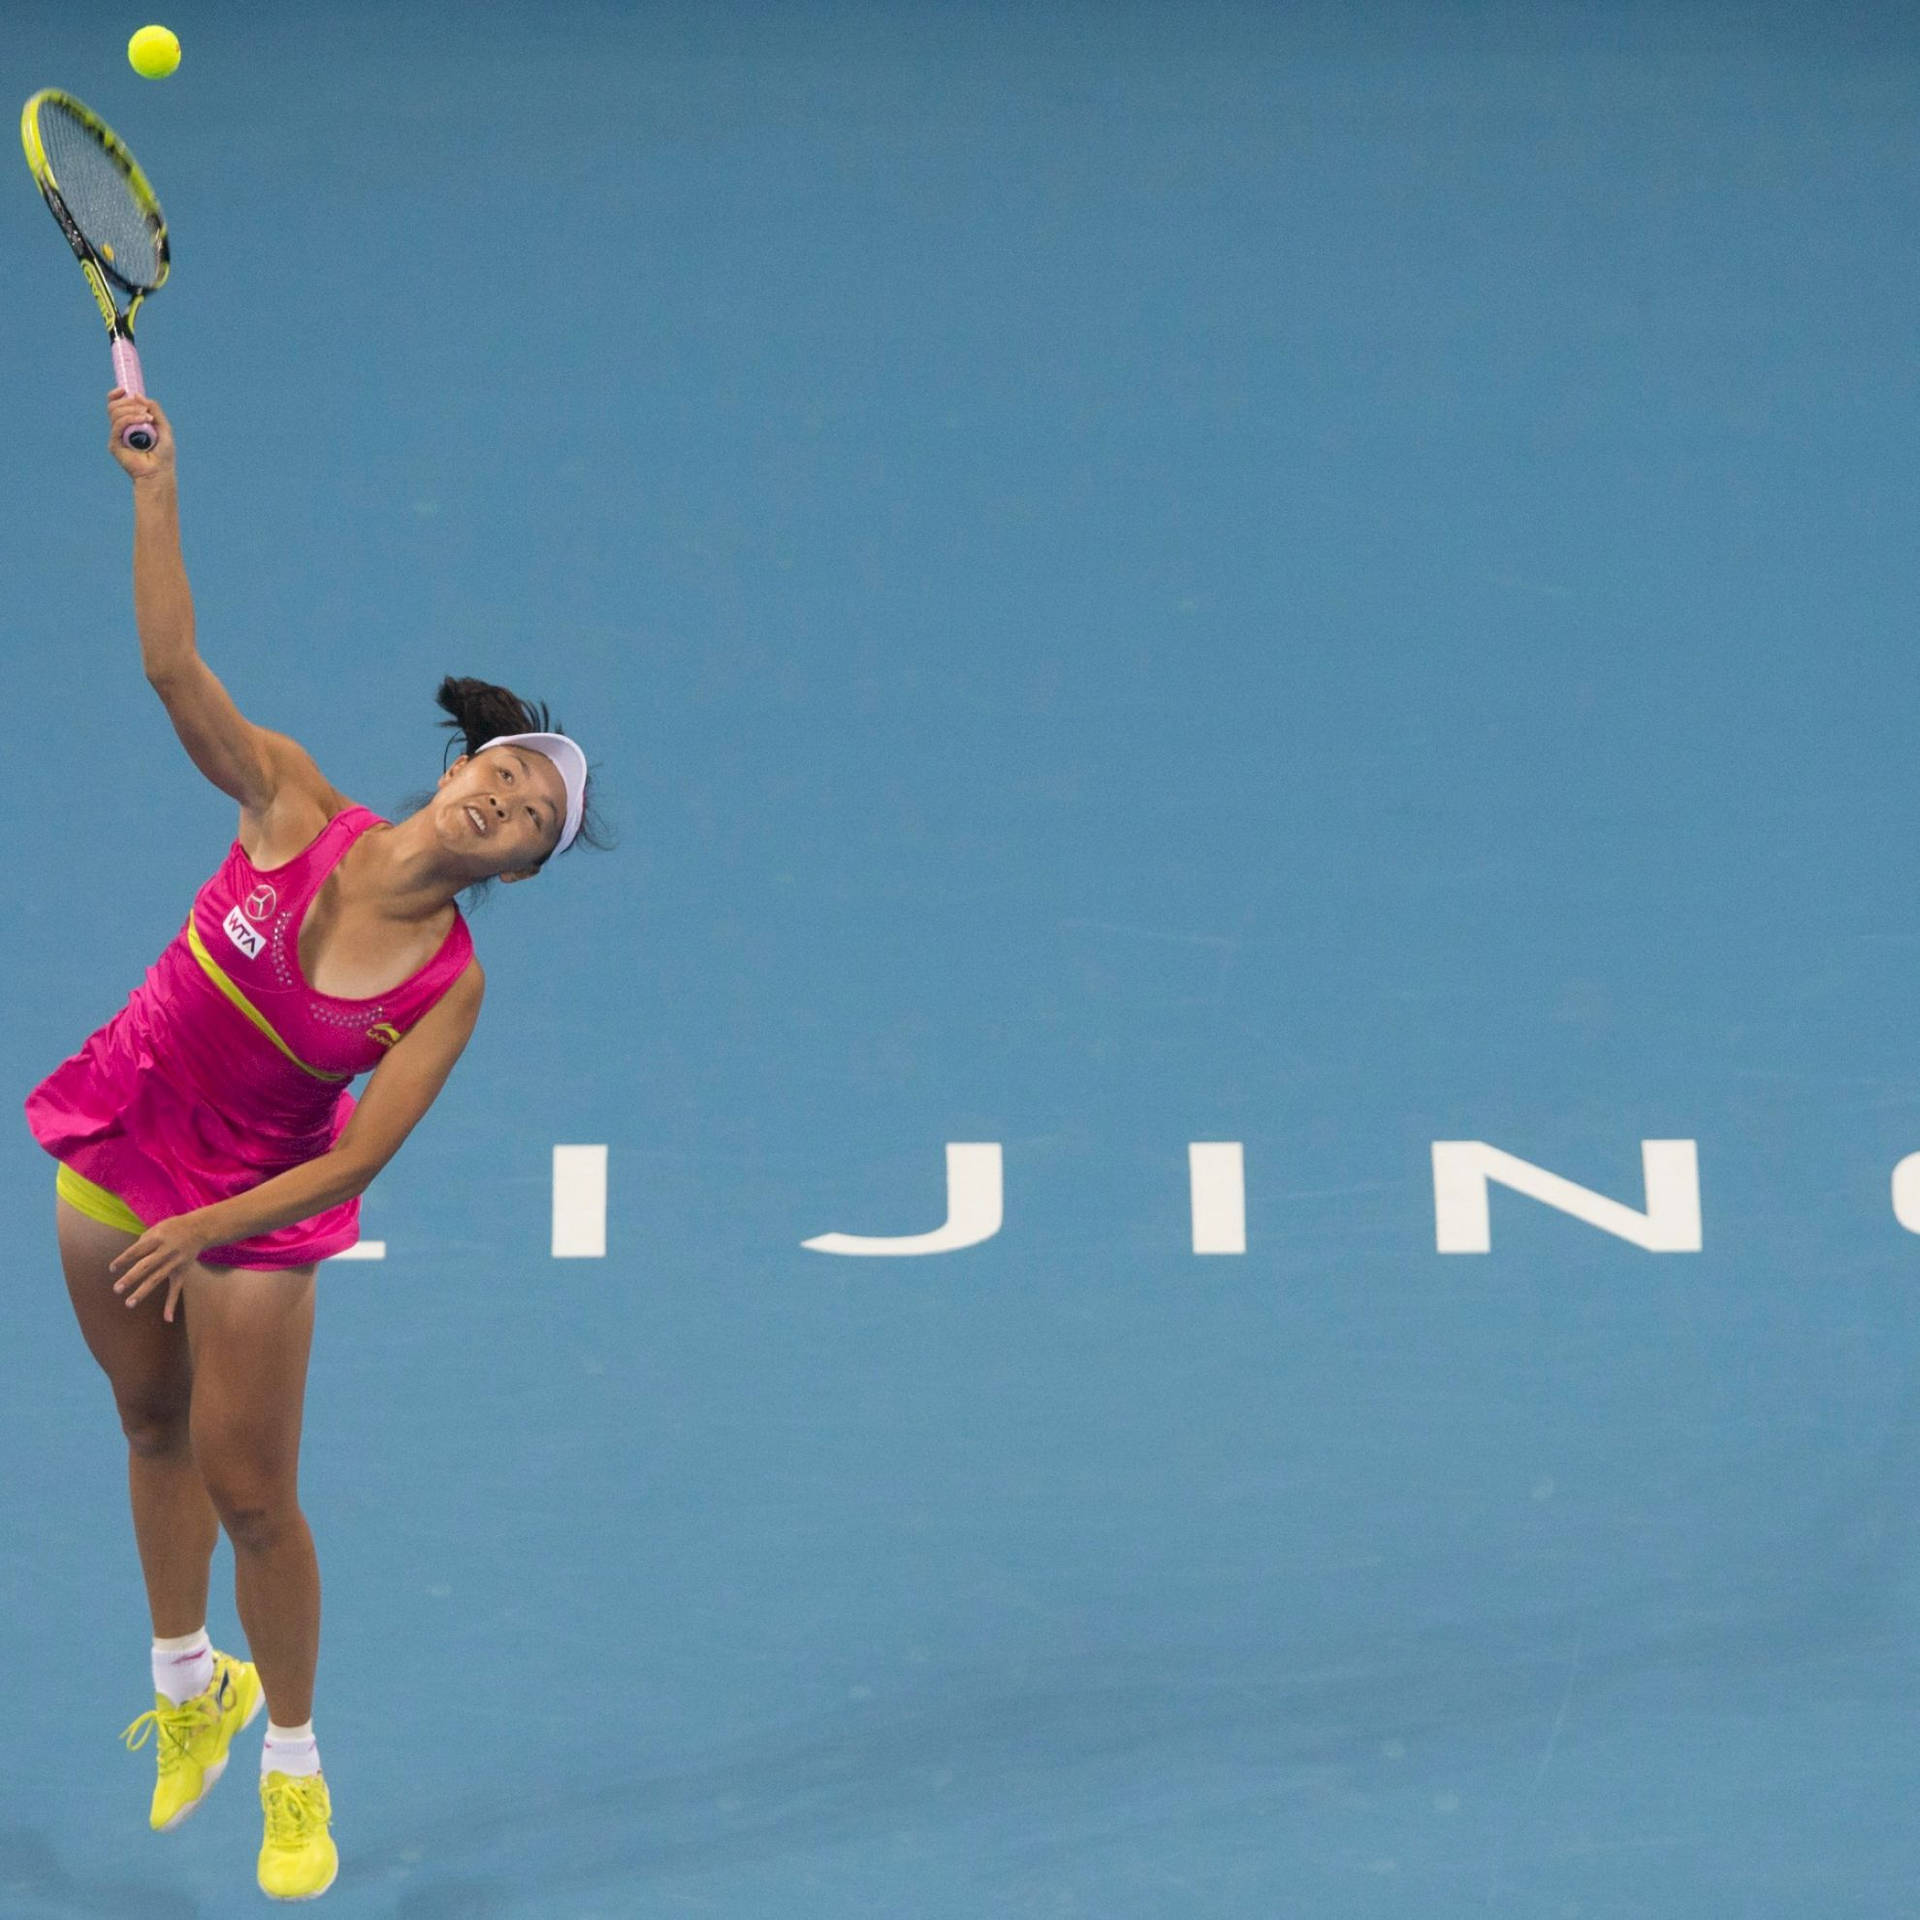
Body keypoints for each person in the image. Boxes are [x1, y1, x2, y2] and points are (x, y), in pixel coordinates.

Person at [27, 389, 601, 1902]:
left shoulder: (447, 989)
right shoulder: (293, 802)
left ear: (524, 867)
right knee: (145, 1423)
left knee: (252, 1491)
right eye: (511, 770)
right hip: (126, 1118)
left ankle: (291, 1765)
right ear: (466, 765)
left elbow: (353, 1169)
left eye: (534, 816)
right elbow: (171, 669)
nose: (507, 798)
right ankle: (182, 1683)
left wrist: (218, 1229)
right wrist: (155, 486)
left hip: (256, 1204)